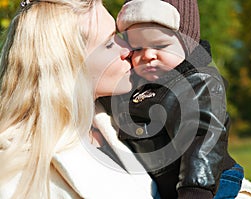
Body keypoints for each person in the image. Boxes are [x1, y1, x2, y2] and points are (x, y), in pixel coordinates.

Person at [97, 0, 251, 198]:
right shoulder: (134, 83)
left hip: (209, 181)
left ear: (188, 44)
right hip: (169, 182)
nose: (148, 55)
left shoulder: (197, 83)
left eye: (160, 45)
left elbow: (203, 135)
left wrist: (196, 189)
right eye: (137, 48)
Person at [0, 0, 160, 198]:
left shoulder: (114, 124)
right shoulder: (16, 174)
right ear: (69, 66)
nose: (127, 49)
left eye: (118, 35)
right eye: (110, 43)